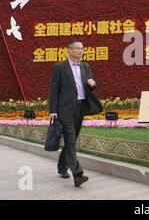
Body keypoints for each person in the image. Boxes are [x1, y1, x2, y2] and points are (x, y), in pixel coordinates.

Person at [48, 39, 103, 187]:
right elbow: (54, 90)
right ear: (70, 50)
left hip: (80, 108)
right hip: (65, 110)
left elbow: (88, 84)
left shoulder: (85, 66)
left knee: (71, 140)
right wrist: (53, 111)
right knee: (71, 141)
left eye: (82, 48)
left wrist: (93, 84)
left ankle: (61, 167)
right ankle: (78, 175)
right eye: (78, 48)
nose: (81, 51)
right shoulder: (59, 67)